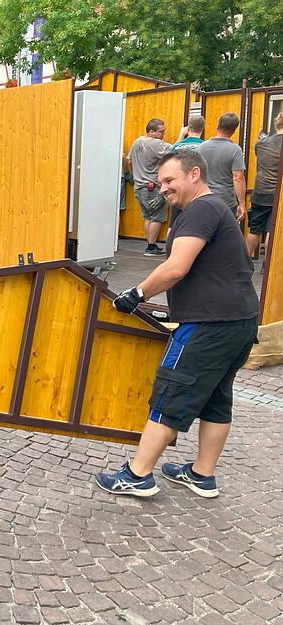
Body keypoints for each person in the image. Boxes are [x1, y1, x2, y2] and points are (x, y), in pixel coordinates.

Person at [96, 149, 258, 499]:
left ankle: (138, 475)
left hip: (209, 323)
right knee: (216, 397)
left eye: (170, 180)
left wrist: (136, 293)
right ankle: (202, 474)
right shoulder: (216, 208)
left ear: (194, 174)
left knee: (172, 392)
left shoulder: (199, 210)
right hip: (240, 321)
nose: (163, 188)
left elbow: (176, 267)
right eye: (161, 182)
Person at [127, 118, 172, 256]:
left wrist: (134, 175)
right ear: (151, 131)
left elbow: (129, 161)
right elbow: (176, 150)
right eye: (161, 131)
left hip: (139, 187)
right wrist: (182, 135)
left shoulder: (136, 142)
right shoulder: (156, 144)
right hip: (152, 187)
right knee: (157, 217)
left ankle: (149, 244)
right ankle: (151, 247)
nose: (163, 134)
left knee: (147, 216)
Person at [197, 113, 246, 220]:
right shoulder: (235, 150)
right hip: (226, 202)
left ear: (217, 126)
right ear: (234, 131)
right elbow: (238, 178)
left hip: (203, 199)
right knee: (224, 235)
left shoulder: (200, 148)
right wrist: (242, 204)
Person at [247, 112, 283, 256]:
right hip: (278, 195)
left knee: (255, 230)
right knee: (271, 231)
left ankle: (244, 262)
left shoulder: (261, 144)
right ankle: (267, 267)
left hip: (260, 193)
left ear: (276, 125)